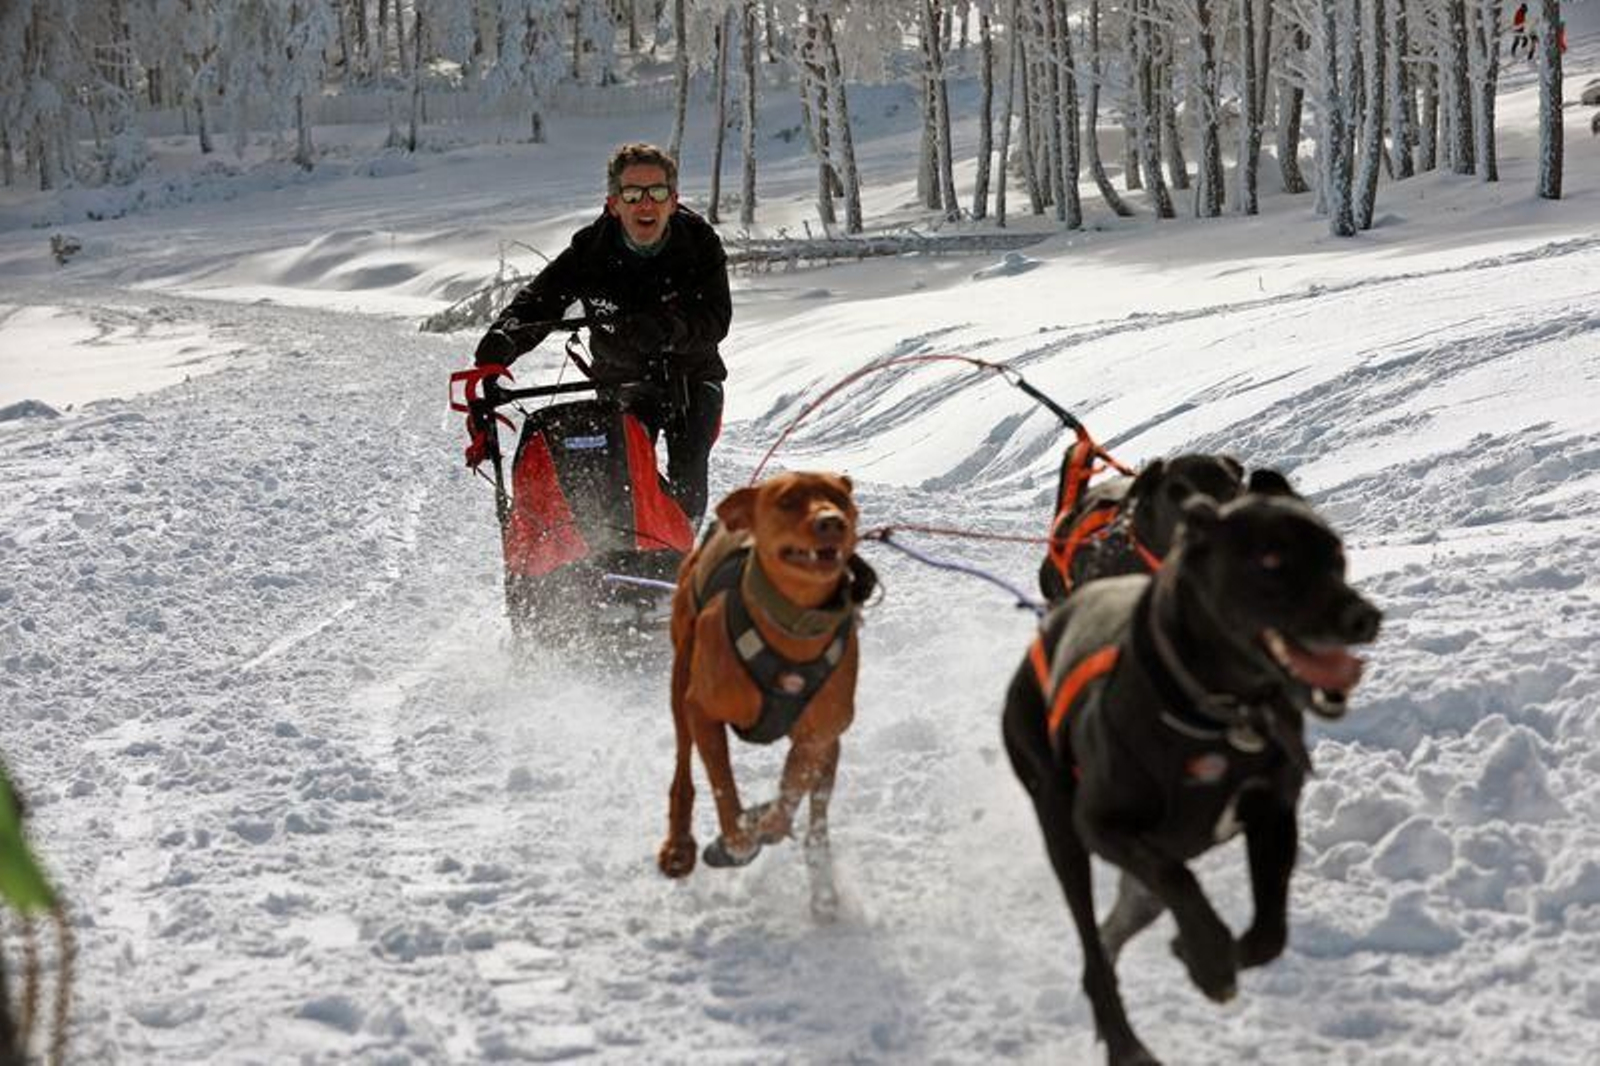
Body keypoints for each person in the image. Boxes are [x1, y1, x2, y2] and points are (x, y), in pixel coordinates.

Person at [475, 142, 732, 525]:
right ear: (614, 204)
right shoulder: (591, 250)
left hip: (691, 377)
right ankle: (619, 550)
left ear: (673, 201)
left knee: (688, 482)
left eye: (657, 192)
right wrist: (505, 337)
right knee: (621, 484)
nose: (646, 203)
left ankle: (681, 543)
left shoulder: (698, 243)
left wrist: (666, 329)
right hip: (622, 379)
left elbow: (716, 317)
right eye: (632, 194)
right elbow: (541, 301)